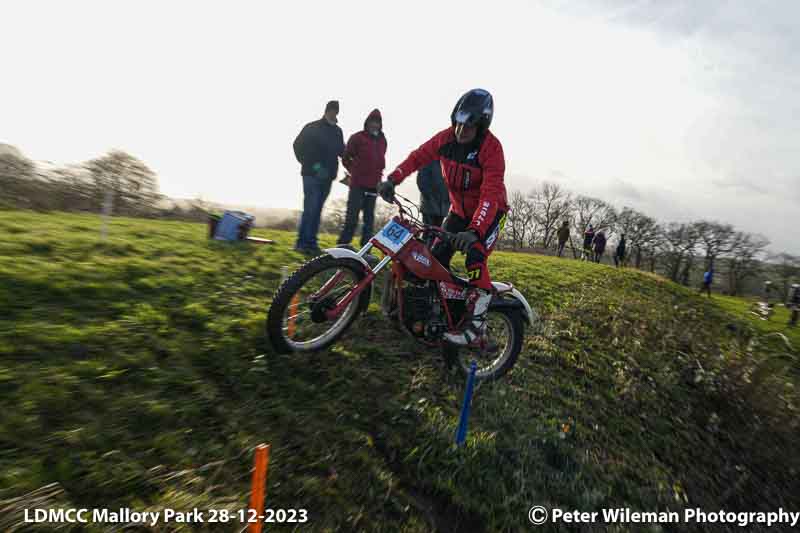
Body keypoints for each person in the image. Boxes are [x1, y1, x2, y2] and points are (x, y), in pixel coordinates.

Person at [377, 88, 507, 346]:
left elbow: (490, 194)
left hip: (490, 215)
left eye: (467, 127)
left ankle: (478, 326)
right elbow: (418, 156)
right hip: (458, 213)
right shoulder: (445, 139)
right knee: (433, 261)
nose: (460, 132)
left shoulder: (492, 149)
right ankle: (438, 314)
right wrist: (394, 178)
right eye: (457, 124)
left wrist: (475, 232)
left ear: (481, 126)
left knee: (475, 257)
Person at [292, 100, 345, 255]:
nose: (333, 113)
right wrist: (313, 166)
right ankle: (301, 243)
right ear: (326, 110)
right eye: (331, 110)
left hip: (328, 177)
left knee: (318, 209)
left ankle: (311, 243)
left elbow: (342, 151)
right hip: (311, 175)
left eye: (336, 110)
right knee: (310, 208)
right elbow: (297, 146)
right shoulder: (312, 127)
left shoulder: (338, 131)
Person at [336, 109, 387, 249]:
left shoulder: (383, 140)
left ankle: (366, 249)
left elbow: (381, 160)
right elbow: (346, 157)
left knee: (369, 220)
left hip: (374, 186)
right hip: (357, 184)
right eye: (372, 122)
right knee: (352, 217)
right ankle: (342, 245)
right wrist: (354, 171)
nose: (374, 125)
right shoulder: (357, 138)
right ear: (367, 122)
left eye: (377, 122)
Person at [417, 160, 450, 227]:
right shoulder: (430, 160)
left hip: (443, 208)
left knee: (436, 233)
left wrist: (449, 199)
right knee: (427, 232)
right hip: (429, 206)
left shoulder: (450, 162)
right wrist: (429, 196)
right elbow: (421, 180)